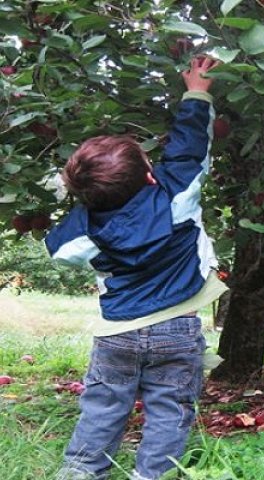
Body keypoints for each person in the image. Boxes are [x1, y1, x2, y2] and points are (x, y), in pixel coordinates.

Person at [46, 56, 227, 480]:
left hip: (117, 333)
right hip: (177, 328)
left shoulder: (81, 231)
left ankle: (80, 473)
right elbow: (189, 145)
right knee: (170, 411)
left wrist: (85, 202)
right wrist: (197, 91)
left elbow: (57, 249)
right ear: (149, 175)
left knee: (103, 408)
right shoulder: (177, 195)